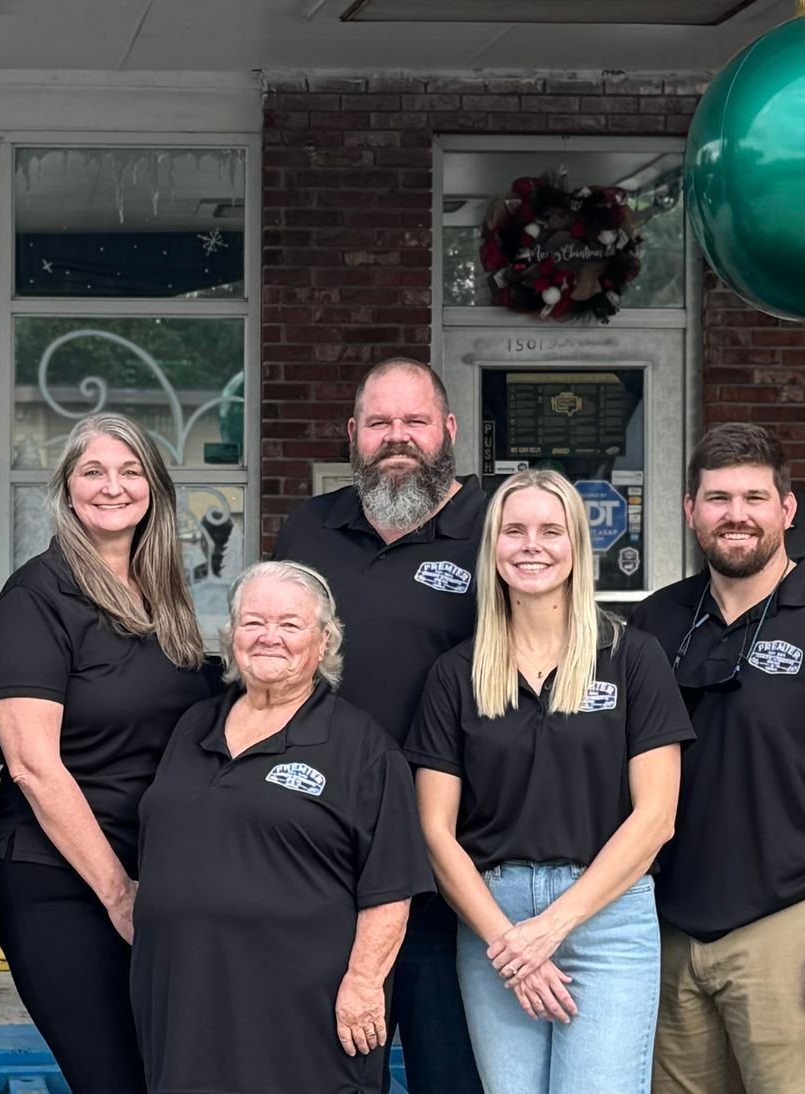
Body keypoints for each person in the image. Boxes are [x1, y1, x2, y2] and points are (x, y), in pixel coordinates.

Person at [631, 422, 805, 1094]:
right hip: (666, 929)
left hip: (790, 929)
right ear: (690, 510)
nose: (737, 515)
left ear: (786, 510)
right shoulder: (654, 624)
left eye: (755, 498)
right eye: (719, 498)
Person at [409, 469, 694, 1094]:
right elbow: (435, 830)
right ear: (493, 547)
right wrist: (510, 942)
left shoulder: (631, 657)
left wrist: (551, 928)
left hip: (606, 918)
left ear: (576, 546)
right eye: (514, 531)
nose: (530, 545)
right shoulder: (456, 674)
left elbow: (656, 819)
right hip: (493, 923)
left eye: (550, 530)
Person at [133, 560, 432, 1094]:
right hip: (187, 1004)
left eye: (290, 625)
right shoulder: (194, 725)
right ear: (231, 637)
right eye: (252, 622)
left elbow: (391, 887)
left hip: (303, 1015)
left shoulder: (360, 747)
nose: (269, 637)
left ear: (323, 644)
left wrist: (364, 984)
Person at [0, 413, 216, 1094]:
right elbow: (31, 764)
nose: (112, 487)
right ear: (66, 489)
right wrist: (117, 893)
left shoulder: (161, 595)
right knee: (115, 1078)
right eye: (93, 471)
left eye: (130, 470)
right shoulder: (36, 600)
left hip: (152, 877)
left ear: (155, 487)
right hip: (61, 882)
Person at [274, 357, 485, 1091]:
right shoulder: (310, 528)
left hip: (451, 861)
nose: (399, 438)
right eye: (380, 423)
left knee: (450, 1071)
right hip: (321, 856)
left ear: (449, 431)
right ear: (353, 434)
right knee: (328, 1068)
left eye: (416, 421)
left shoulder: (496, 532)